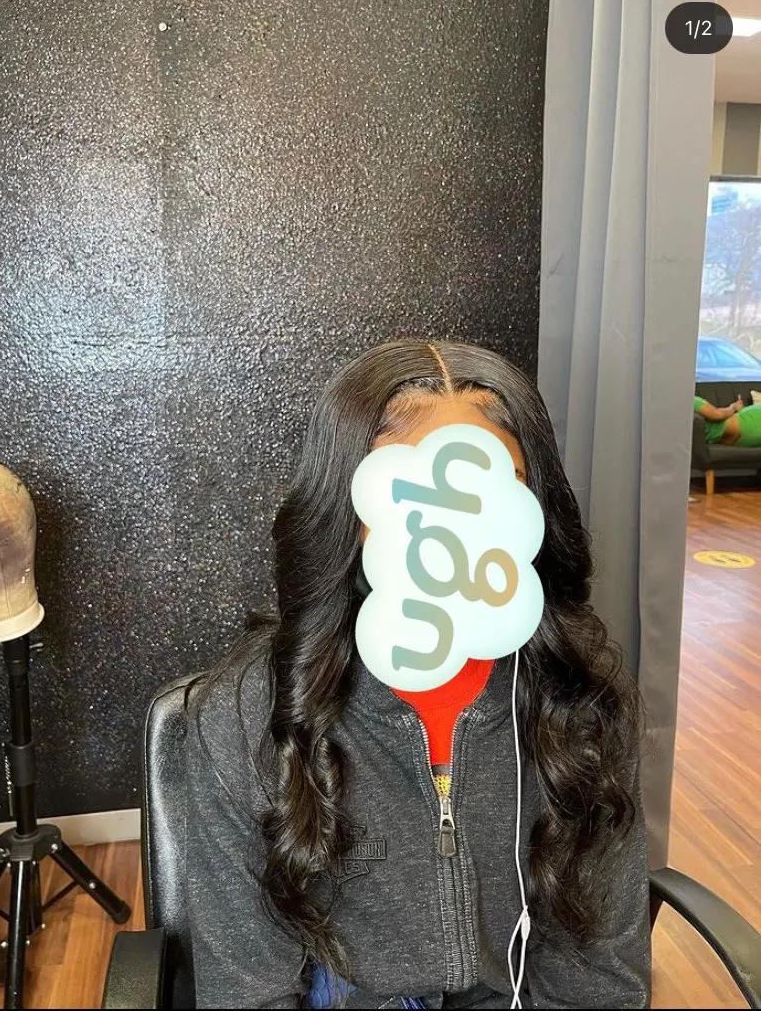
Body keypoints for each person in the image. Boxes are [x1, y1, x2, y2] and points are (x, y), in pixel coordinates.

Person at [185, 339, 650, 1009]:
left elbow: (598, 979)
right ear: (347, 510)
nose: (452, 538)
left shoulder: (583, 699)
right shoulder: (246, 715)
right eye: (414, 498)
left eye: (492, 494)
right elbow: (246, 992)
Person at [693, 394, 761, 448]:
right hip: (743, 424)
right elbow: (718, 415)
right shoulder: (693, 401)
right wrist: (733, 407)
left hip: (739, 428)